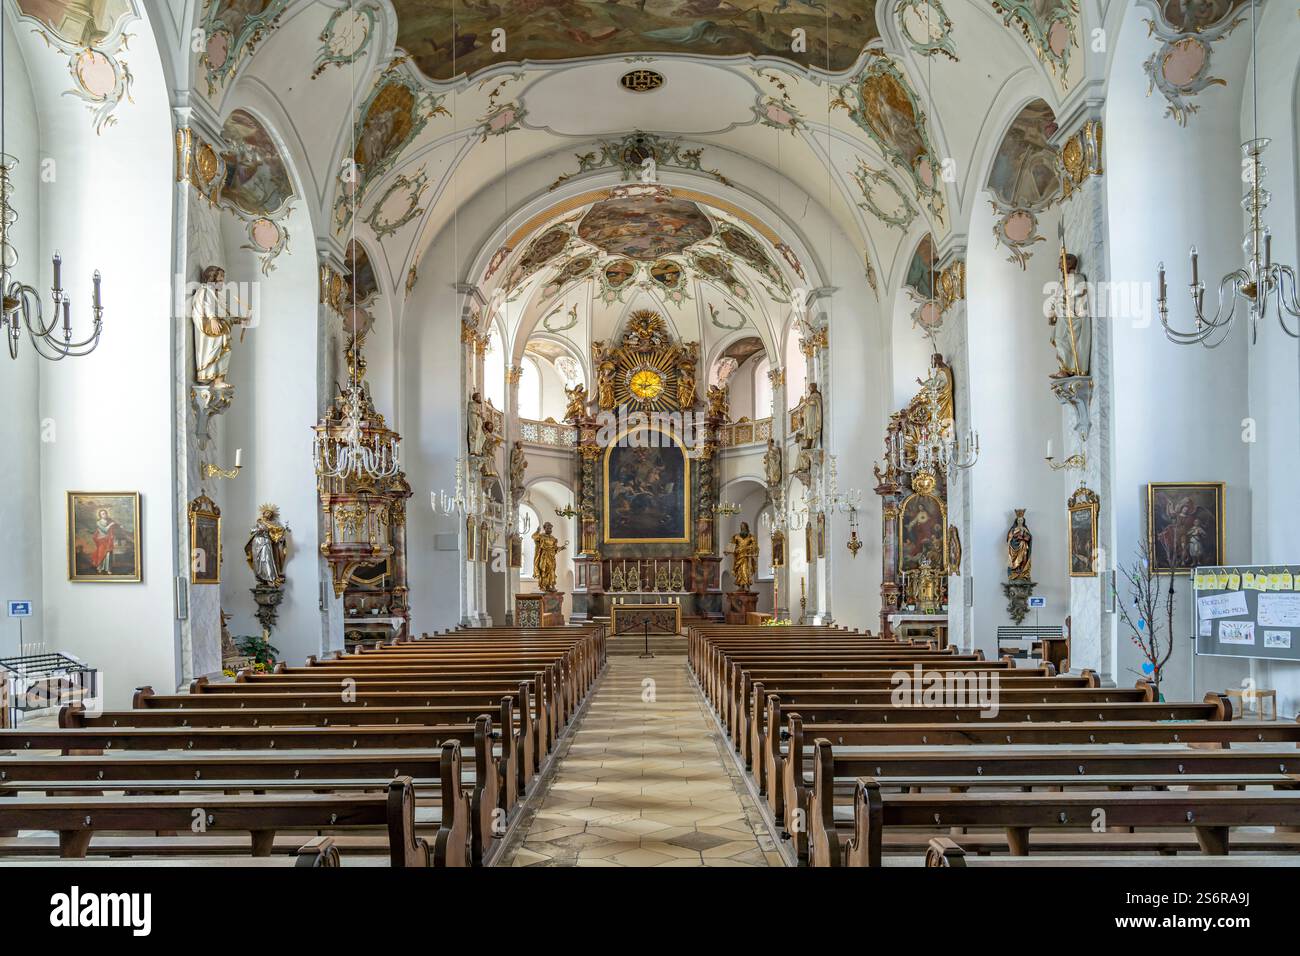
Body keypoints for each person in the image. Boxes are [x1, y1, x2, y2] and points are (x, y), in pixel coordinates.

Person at [191, 265, 252, 387]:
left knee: (226, 352)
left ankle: (219, 380)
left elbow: (225, 315)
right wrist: (213, 319)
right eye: (219, 280)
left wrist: (240, 320)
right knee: (217, 351)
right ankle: (210, 376)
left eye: (222, 280)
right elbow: (206, 305)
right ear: (211, 279)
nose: (222, 283)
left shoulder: (218, 296)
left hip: (221, 330)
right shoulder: (205, 290)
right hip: (212, 329)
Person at [1049, 253, 1091, 377]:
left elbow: (1079, 294)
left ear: (1069, 265)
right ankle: (1064, 369)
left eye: (1061, 265)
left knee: (1063, 340)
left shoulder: (1078, 278)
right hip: (1062, 317)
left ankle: (1066, 370)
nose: (1059, 268)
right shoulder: (1063, 282)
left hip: (1071, 316)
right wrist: (1053, 313)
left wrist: (1068, 298)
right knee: (1060, 340)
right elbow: (1057, 299)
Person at [531, 521, 567, 592]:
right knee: (544, 570)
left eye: (550, 528)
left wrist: (561, 548)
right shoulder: (541, 536)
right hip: (544, 556)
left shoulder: (553, 538)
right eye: (548, 528)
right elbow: (534, 537)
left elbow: (555, 548)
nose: (550, 530)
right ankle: (543, 586)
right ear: (544, 528)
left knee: (551, 570)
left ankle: (551, 585)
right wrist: (537, 531)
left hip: (551, 557)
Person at [726, 521, 759, 590]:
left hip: (746, 556)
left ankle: (747, 585)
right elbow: (732, 544)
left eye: (744, 526)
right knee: (739, 571)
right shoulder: (736, 536)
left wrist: (749, 548)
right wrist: (728, 551)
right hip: (738, 555)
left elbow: (755, 545)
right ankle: (741, 585)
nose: (742, 528)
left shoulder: (750, 536)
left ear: (746, 527)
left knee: (746, 569)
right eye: (741, 527)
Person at [91, 508, 121, 574]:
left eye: (105, 513)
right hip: (101, 540)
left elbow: (115, 527)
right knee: (101, 554)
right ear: (100, 515)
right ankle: (100, 568)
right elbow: (104, 530)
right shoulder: (98, 522)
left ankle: (108, 569)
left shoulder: (109, 521)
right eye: (103, 514)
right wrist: (110, 525)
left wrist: (119, 525)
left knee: (108, 555)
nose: (105, 515)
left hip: (108, 540)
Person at [1007, 510, 1032, 580]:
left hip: (1023, 547)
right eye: (1019, 520)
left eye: (1021, 520)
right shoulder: (1013, 529)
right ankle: (1015, 571)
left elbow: (1029, 537)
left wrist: (1024, 538)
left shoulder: (1025, 529)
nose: (1020, 521)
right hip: (1015, 548)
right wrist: (1016, 537)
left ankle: (1022, 571)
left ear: (1023, 521)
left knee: (1024, 556)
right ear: (1016, 521)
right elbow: (1009, 539)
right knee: (1016, 559)